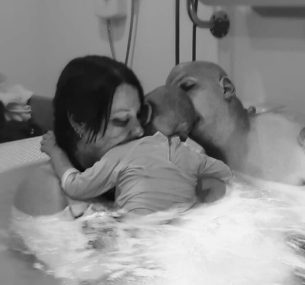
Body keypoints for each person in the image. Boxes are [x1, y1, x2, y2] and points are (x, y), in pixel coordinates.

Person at [40, 85, 232, 216]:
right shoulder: (191, 156)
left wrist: (56, 152)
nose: (136, 128)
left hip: (136, 238)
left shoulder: (124, 153)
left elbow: (76, 186)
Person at [13, 55, 146, 218]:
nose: (139, 130)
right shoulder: (47, 188)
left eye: (140, 116)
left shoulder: (128, 173)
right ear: (78, 122)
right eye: (121, 120)